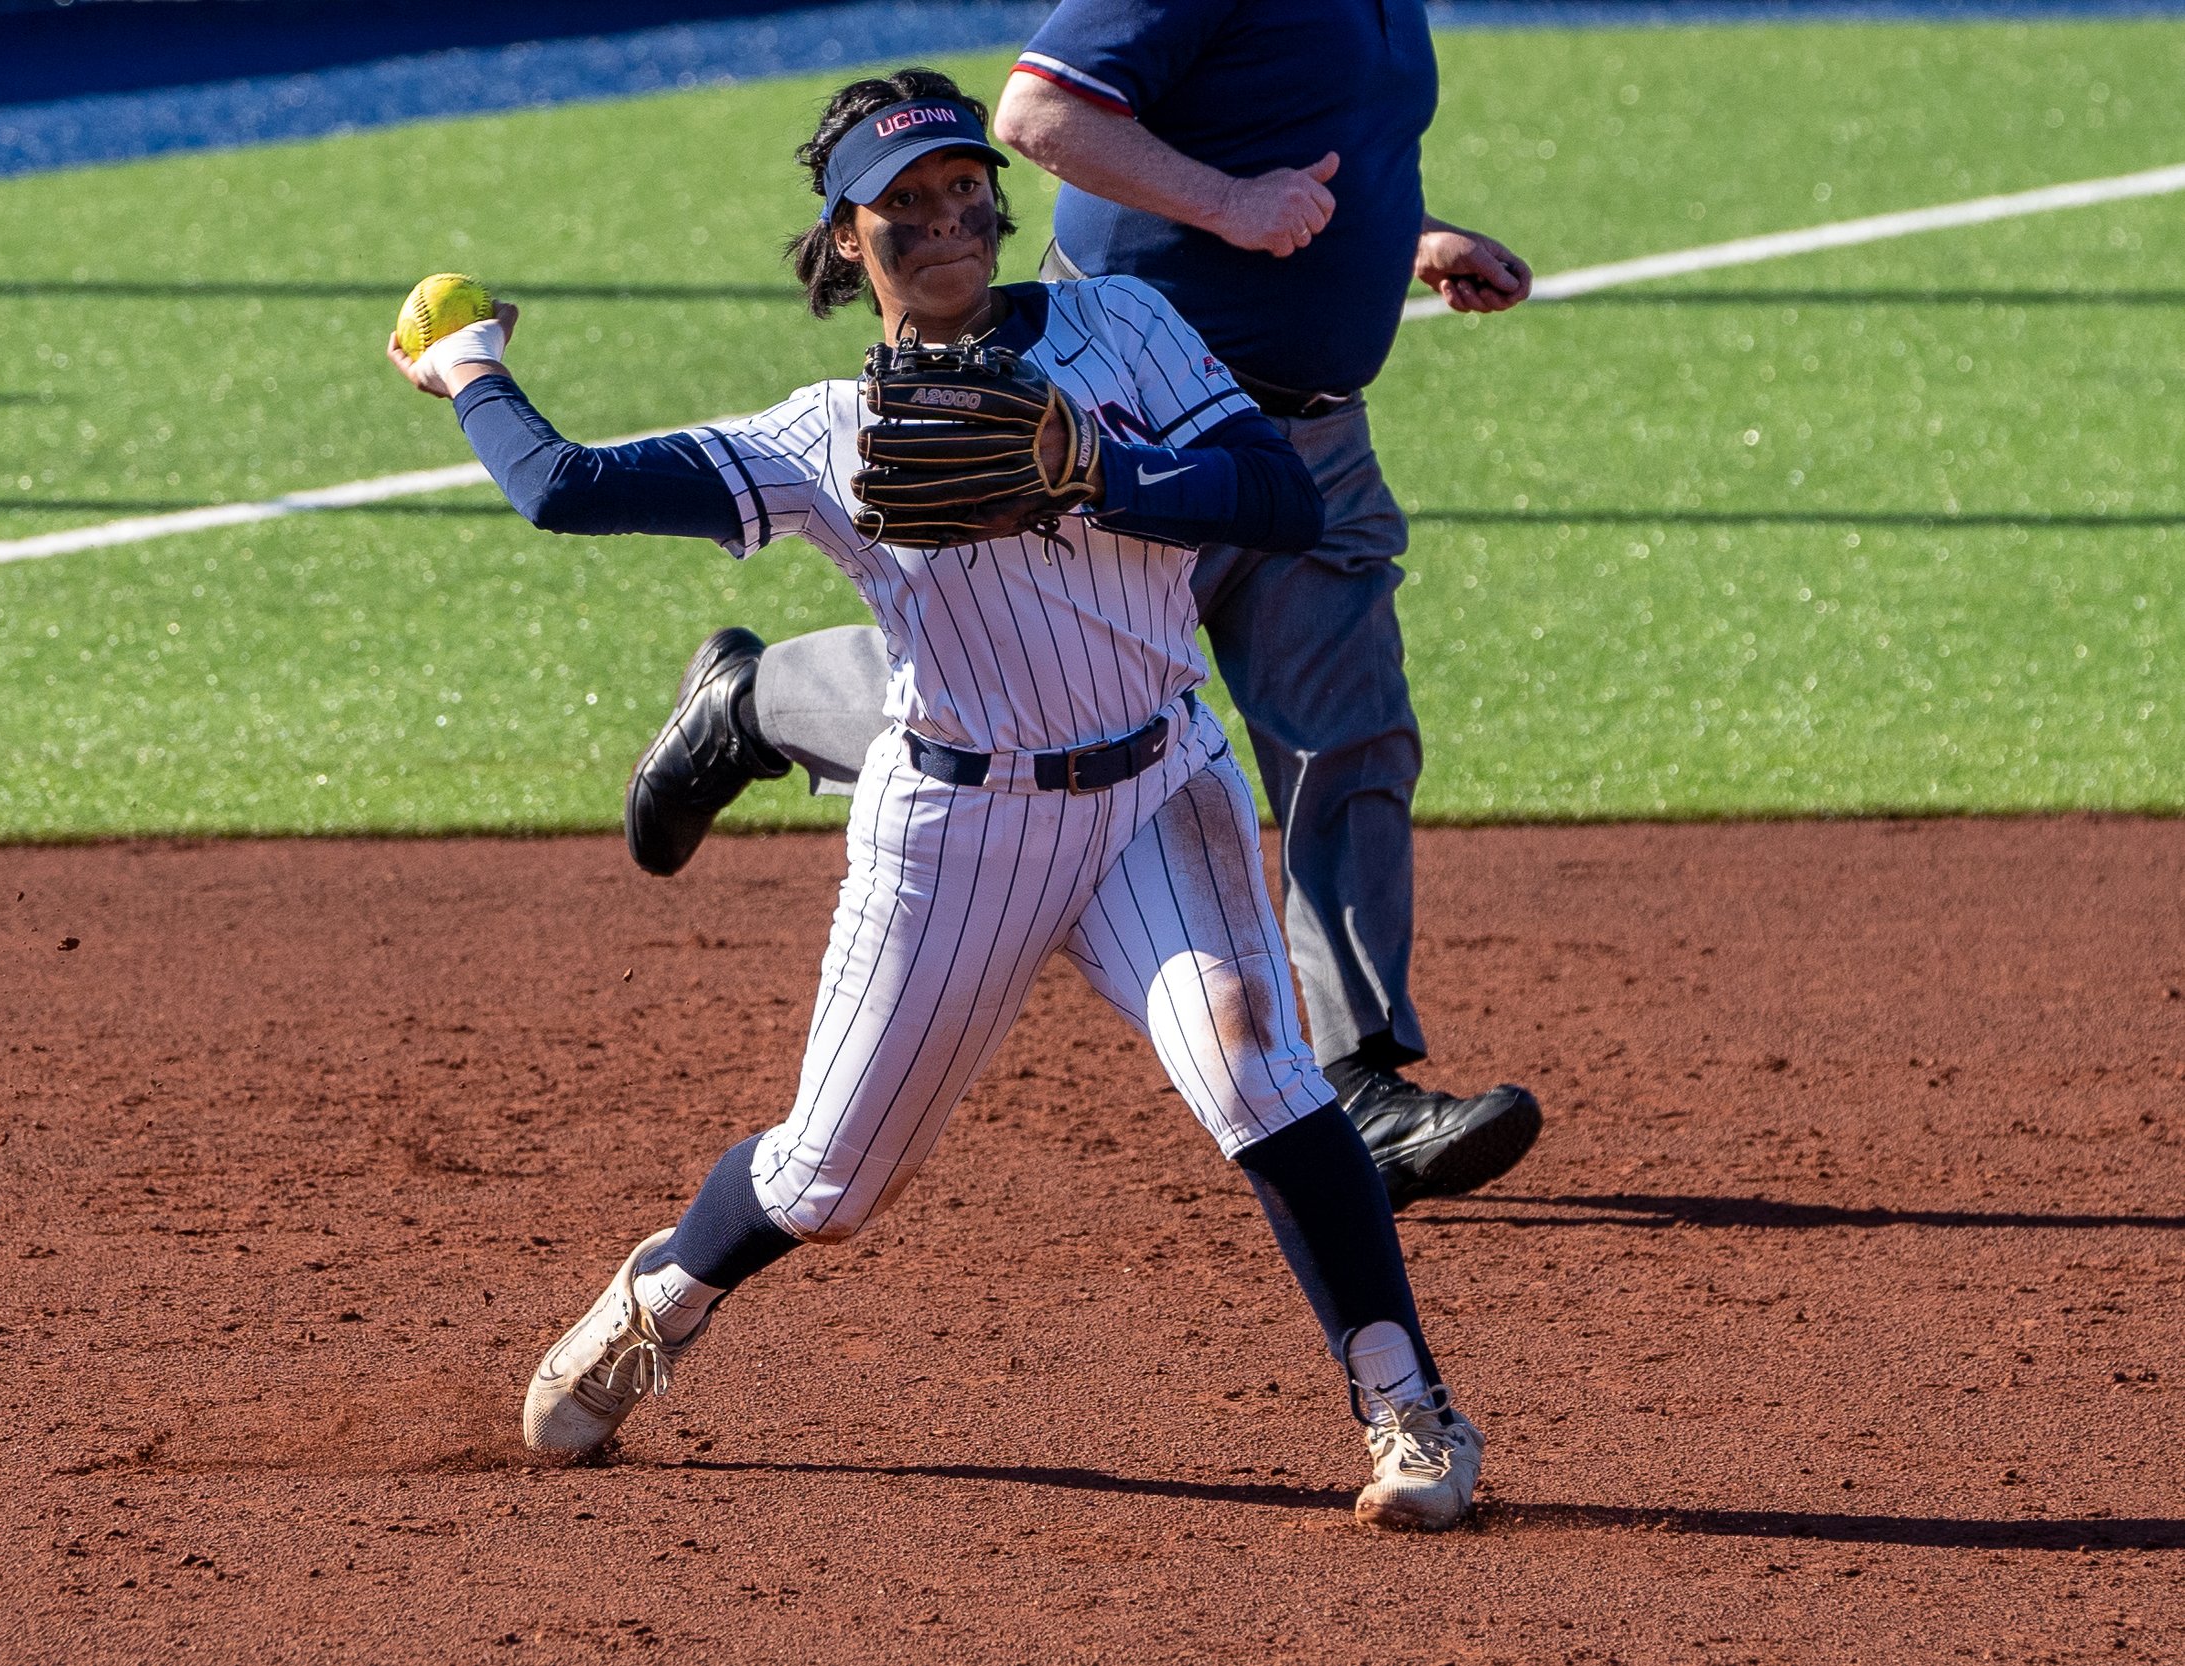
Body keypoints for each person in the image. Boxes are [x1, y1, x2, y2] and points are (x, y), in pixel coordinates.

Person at [390, 68, 1486, 1529]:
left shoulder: (1123, 329)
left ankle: (1409, 1409)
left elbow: (1277, 501)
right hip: (958, 827)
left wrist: (1101, 471)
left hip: (1158, 780)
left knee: (1257, 1074)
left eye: (962, 188)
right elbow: (567, 488)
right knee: (830, 1177)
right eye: (902, 204)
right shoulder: (820, 435)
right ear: (849, 240)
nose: (944, 218)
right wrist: (471, 368)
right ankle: (663, 1287)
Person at [624, 0, 1546, 1213]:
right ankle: (756, 701)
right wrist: (1231, 208)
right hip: (1118, 417)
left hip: (1312, 431)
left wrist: (1400, 237)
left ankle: (1355, 1076)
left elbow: (1308, 138)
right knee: (1030, 700)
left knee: (1351, 732)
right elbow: (1038, 114)